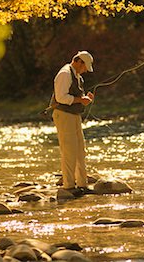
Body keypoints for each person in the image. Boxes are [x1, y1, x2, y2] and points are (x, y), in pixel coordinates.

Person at [50, 51, 95, 196]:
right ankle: (69, 186)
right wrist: (80, 100)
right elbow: (61, 97)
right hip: (63, 115)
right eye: (85, 67)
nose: (85, 70)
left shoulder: (77, 76)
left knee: (80, 150)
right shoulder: (65, 73)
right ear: (78, 61)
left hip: (74, 115)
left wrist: (85, 99)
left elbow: (75, 97)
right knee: (69, 151)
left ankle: (82, 184)